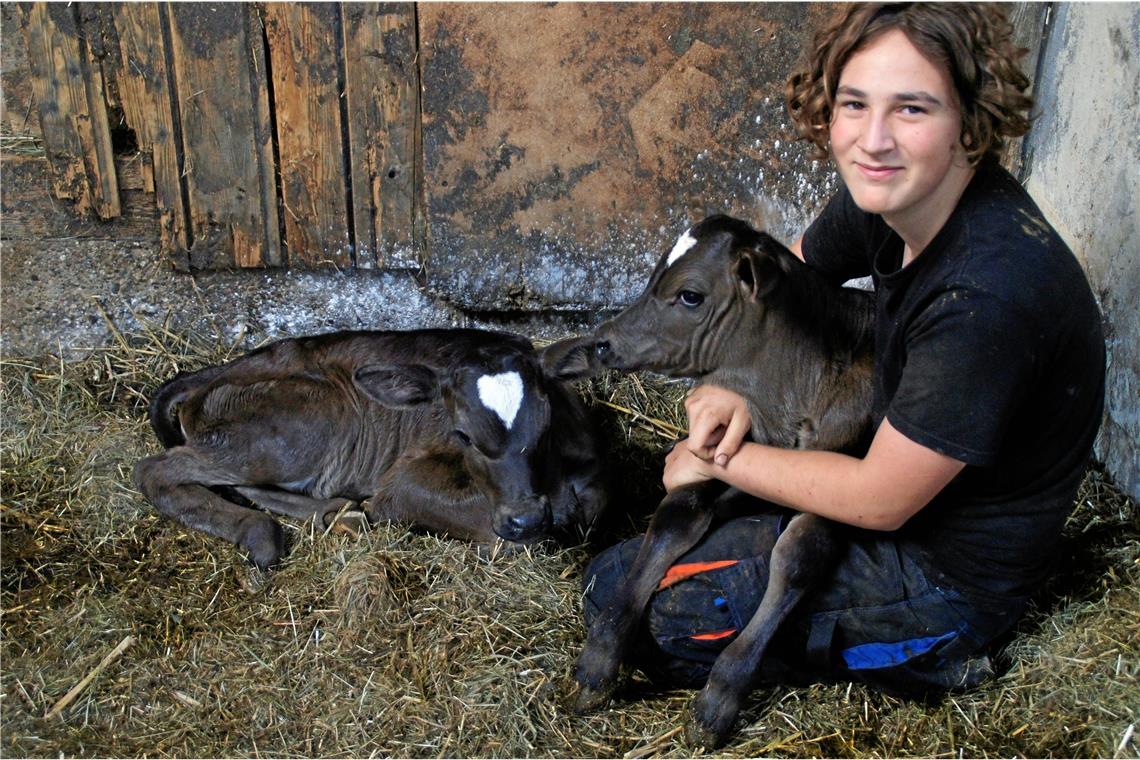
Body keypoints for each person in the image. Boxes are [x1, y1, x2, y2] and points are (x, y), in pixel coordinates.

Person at [583, 3, 1106, 695]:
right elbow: (786, 287)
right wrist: (730, 387)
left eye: (912, 110)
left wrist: (716, 456)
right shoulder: (888, 199)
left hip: (940, 568)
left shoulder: (984, 298)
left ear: (971, 122)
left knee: (654, 611)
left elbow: (880, 501)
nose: (873, 139)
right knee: (618, 574)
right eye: (854, 104)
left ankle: (925, 657)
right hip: (879, 465)